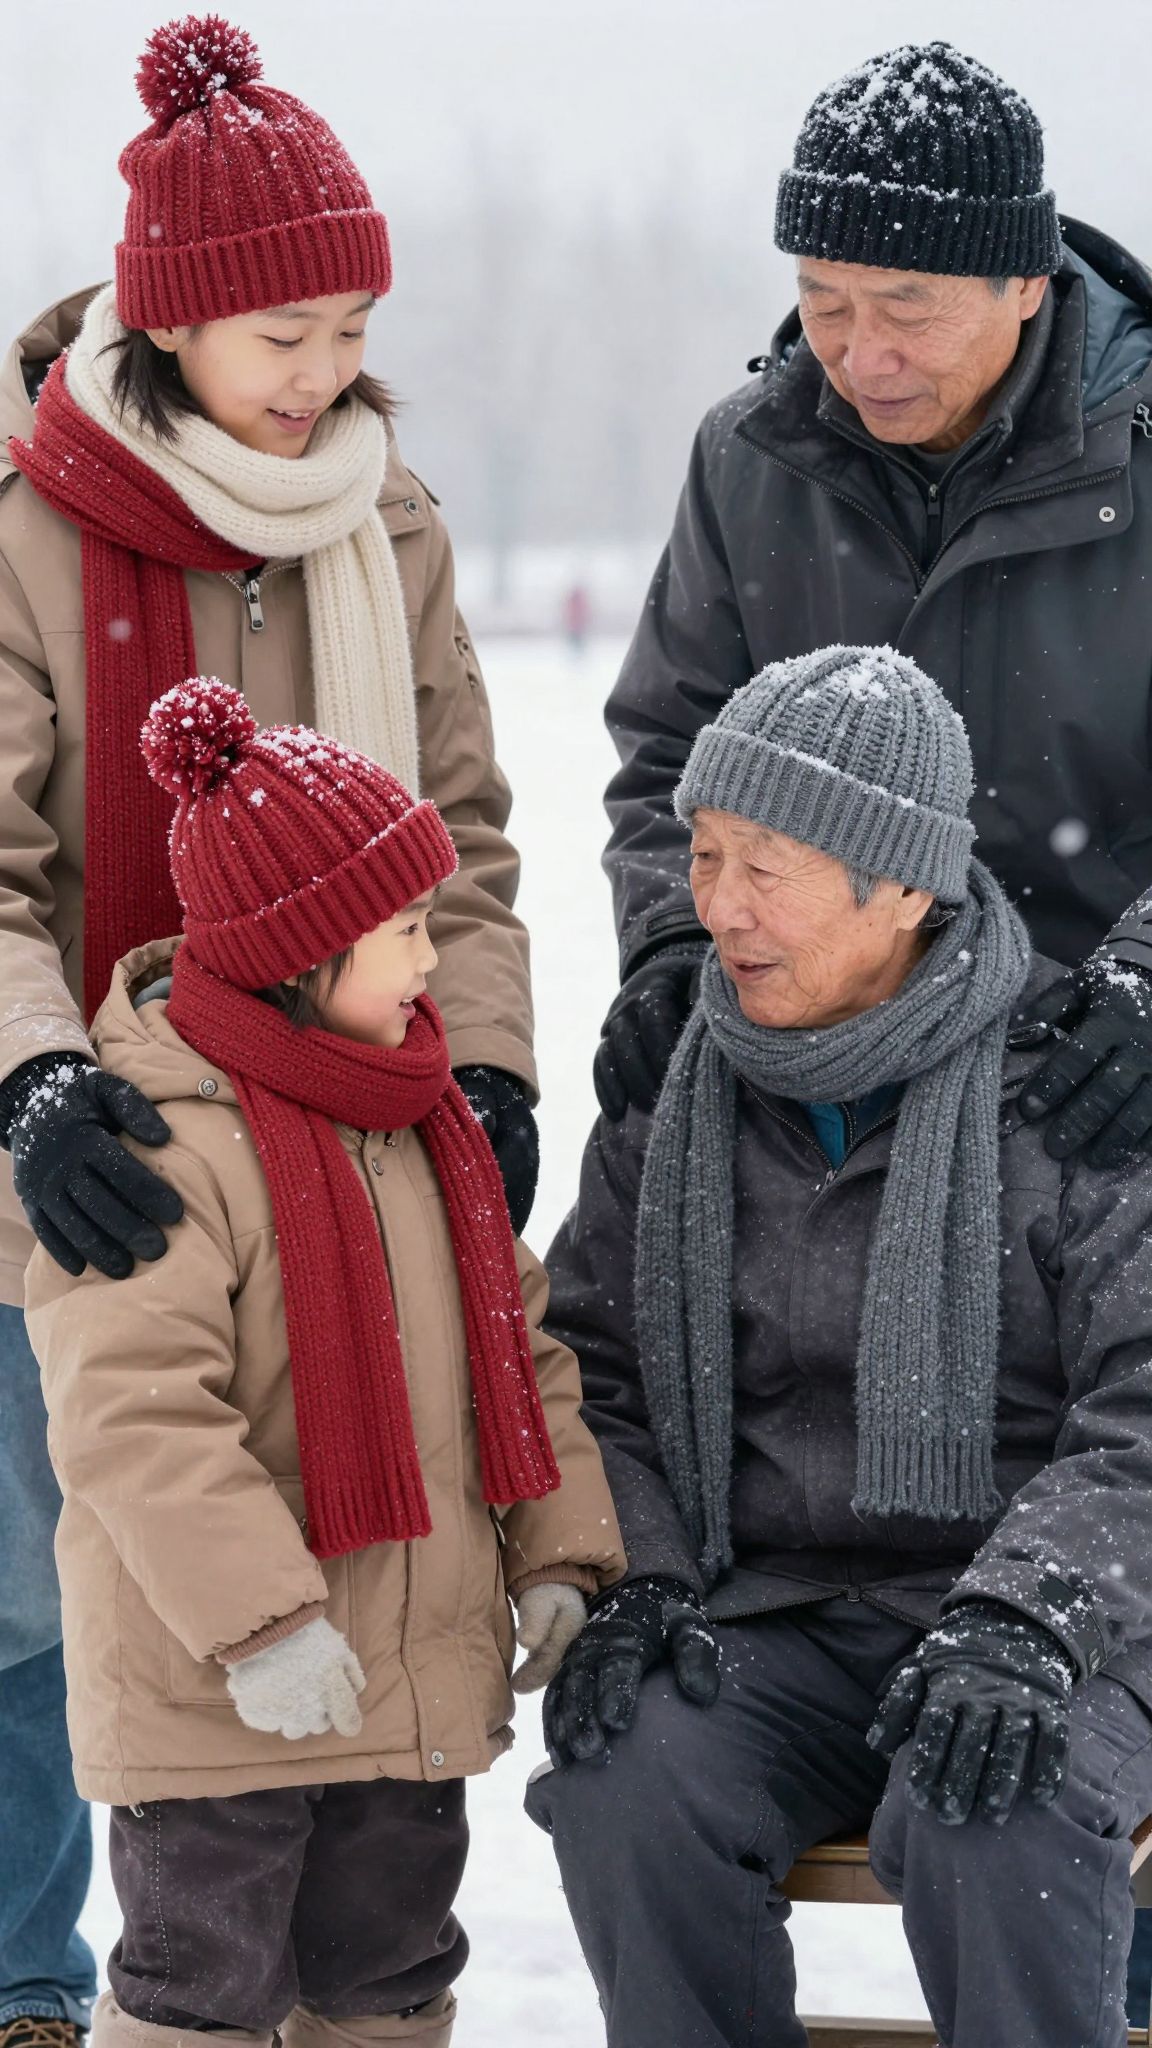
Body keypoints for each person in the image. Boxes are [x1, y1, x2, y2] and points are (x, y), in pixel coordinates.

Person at [0, 21, 540, 2046]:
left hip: (355, 1135)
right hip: (102, 1163)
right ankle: (33, 1985)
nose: (318, 370)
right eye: (275, 333)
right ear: (170, 327)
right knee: (59, 1603)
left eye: (346, 324)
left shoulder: (380, 524)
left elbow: (458, 836)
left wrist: (480, 1059)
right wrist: (34, 1074)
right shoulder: (29, 517)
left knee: (333, 1595)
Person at [531, 645, 1152, 2048]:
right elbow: (592, 1367)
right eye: (704, 855)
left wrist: (1024, 1618)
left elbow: (1145, 1402)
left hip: (1049, 1623)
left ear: (906, 885)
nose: (720, 910)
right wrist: (640, 1577)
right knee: (627, 1774)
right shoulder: (673, 1083)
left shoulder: (1069, 1090)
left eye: (772, 867)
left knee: (985, 1805)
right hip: (784, 1612)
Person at [24, 675, 626, 2048]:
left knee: (390, 1976)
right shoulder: (163, 1144)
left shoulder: (425, 1123)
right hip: (216, 1686)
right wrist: (262, 1623)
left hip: (401, 1678)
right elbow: (133, 1416)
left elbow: (515, 1356)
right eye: (405, 932)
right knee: (205, 1983)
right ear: (303, 950)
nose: (431, 966)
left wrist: (558, 1558)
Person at [595, 41, 1152, 1187]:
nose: (864, 354)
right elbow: (668, 750)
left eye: (910, 305)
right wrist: (668, 941)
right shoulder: (747, 456)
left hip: (1091, 1081)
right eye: (825, 300)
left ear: (1026, 283)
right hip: (825, 1091)